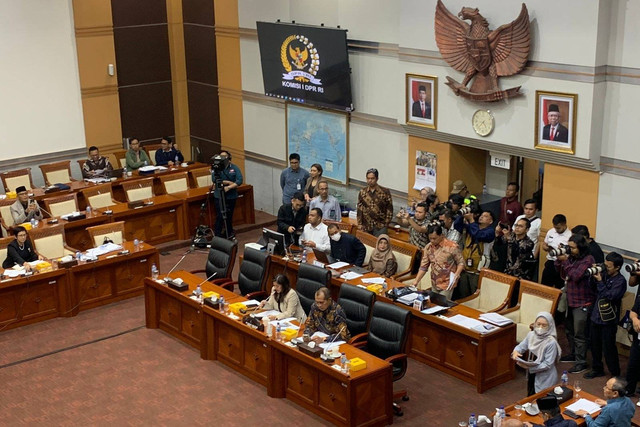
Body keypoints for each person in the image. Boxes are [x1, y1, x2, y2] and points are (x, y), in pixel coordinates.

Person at [556, 234, 596, 374]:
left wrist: (565, 261)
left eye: (572, 248)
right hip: (570, 299)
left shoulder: (588, 260)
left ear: (580, 247)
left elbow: (576, 276)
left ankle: (581, 362)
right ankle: (573, 354)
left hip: (582, 301)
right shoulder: (571, 258)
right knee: (569, 330)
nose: (570, 250)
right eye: (569, 247)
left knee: (580, 334)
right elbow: (561, 272)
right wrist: (559, 259)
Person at [584, 252, 626, 380]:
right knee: (594, 345)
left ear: (617, 267)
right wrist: (593, 276)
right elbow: (592, 289)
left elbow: (610, 296)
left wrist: (601, 281)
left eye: (609, 266)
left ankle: (615, 373)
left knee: (609, 348)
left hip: (608, 319)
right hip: (596, 315)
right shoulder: (603, 274)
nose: (606, 268)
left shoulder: (620, 281)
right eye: (605, 265)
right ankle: (597, 369)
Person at [511, 312, 562, 395]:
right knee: (531, 393)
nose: (540, 327)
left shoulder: (551, 342)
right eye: (538, 324)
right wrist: (516, 351)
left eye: (544, 325)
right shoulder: (531, 335)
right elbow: (522, 346)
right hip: (532, 373)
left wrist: (530, 368)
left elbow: (547, 364)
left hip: (545, 376)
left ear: (550, 326)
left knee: (542, 398)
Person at [412, 224, 465, 299]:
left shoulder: (452, 247)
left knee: (442, 304)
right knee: (433, 303)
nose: (432, 241)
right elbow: (423, 267)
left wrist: (457, 273)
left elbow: (461, 262)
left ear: (442, 236)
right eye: (430, 238)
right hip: (435, 281)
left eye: (434, 238)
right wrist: (416, 281)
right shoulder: (428, 247)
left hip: (448, 281)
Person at [457, 210, 495, 299]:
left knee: (474, 295)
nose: (481, 217)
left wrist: (471, 220)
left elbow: (478, 235)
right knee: (463, 295)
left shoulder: (490, 232)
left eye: (485, 216)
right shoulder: (472, 226)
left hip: (478, 270)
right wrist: (462, 215)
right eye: (481, 215)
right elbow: (457, 226)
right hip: (465, 266)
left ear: (491, 221)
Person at [212, 150, 243, 239]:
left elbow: (239, 180)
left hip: (231, 196)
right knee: (220, 216)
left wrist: (229, 187)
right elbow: (214, 179)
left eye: (224, 157)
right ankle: (217, 234)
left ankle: (229, 233)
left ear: (229, 159)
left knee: (229, 215)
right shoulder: (216, 168)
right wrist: (227, 182)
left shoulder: (234, 168)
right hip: (219, 196)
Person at [357, 168, 393, 237]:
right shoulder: (362, 192)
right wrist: (359, 223)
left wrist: (386, 223)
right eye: (368, 178)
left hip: (380, 226)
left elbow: (389, 209)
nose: (370, 180)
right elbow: (359, 208)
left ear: (377, 179)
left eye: (372, 178)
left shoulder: (385, 192)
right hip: (366, 226)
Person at [541, 214, 571, 289]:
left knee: (559, 288)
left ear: (564, 224)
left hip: (562, 265)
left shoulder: (570, 236)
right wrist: (547, 248)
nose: (557, 230)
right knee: (544, 286)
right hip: (550, 262)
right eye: (555, 227)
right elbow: (544, 244)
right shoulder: (551, 231)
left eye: (558, 228)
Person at [513, 199, 542, 275]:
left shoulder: (539, 222)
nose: (528, 211)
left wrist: (535, 256)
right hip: (516, 250)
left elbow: (539, 240)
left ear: (536, 210)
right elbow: (513, 232)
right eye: (526, 208)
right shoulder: (519, 218)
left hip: (528, 252)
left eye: (531, 209)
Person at [625, 289, 640, 397]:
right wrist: (635, 319)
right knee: (632, 365)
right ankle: (629, 390)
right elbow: (633, 311)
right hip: (638, 338)